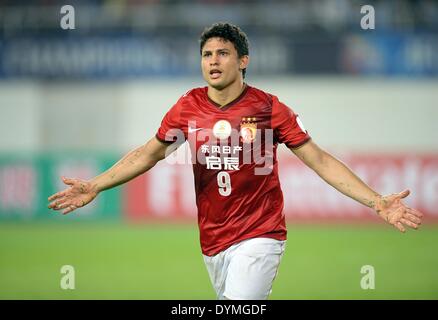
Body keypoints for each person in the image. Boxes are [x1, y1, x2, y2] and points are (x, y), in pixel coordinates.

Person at [48, 22, 424, 300]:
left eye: (223, 53)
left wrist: (377, 201)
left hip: (260, 236)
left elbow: (319, 160)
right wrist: (95, 183)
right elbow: (148, 154)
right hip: (212, 241)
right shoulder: (188, 107)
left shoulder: (269, 108)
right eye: (207, 54)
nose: (213, 61)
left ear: (243, 60)